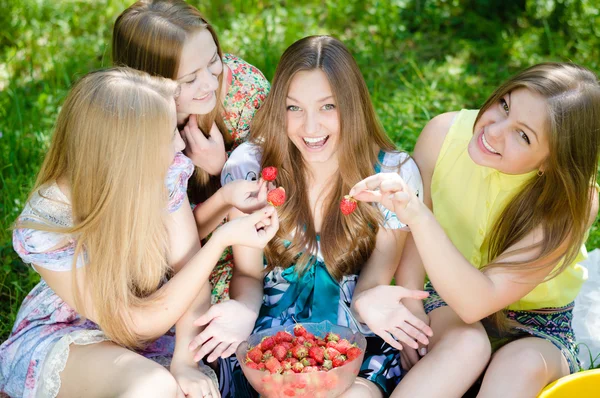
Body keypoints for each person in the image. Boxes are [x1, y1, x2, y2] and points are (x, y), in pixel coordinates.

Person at [0, 67, 278, 398]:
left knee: (176, 386)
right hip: (76, 333)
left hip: (157, 326)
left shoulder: (161, 174)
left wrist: (186, 363)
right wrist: (220, 239)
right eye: (168, 134)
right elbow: (134, 323)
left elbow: (189, 274)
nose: (179, 142)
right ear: (127, 152)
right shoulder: (50, 221)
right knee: (154, 386)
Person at [188, 35, 433, 398]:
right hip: (266, 344)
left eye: (328, 107)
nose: (311, 127)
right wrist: (241, 309)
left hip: (354, 344)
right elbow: (248, 274)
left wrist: (369, 300)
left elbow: (374, 277)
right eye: (294, 108)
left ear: (352, 106)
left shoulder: (391, 175)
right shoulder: (250, 168)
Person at [350, 62, 600, 397]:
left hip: (538, 324)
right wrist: (413, 305)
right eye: (504, 105)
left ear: (549, 163)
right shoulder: (443, 134)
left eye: (523, 135)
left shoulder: (572, 202)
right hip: (447, 299)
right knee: (465, 344)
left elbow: (478, 301)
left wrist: (419, 215)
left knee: (519, 365)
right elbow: (412, 246)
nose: (495, 130)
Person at [113, 0, 271, 304]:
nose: (211, 83)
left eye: (213, 60)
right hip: (183, 265)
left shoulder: (245, 90)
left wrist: (222, 169)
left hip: (257, 245)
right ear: (147, 81)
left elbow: (279, 188)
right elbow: (162, 245)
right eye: (189, 80)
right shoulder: (134, 129)